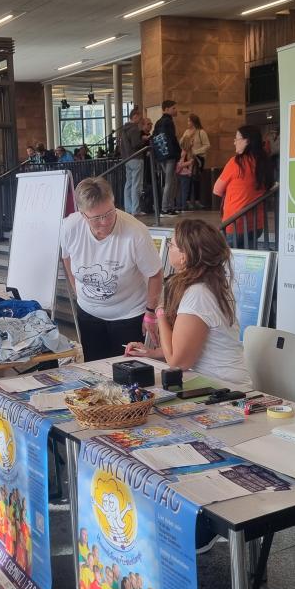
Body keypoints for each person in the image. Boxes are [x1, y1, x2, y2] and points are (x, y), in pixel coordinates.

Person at [126, 219, 252, 390]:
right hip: (214, 383)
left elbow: (178, 362)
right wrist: (152, 353)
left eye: (172, 244)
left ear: (185, 256)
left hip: (224, 388)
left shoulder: (198, 294)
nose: (169, 247)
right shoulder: (211, 283)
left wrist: (160, 312)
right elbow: (190, 344)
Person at [60, 177, 163, 361]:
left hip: (129, 315)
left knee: (129, 371)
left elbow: (155, 274)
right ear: (83, 215)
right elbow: (67, 257)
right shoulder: (70, 227)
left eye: (109, 213)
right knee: (96, 370)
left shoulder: (135, 232)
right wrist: (77, 289)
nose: (105, 222)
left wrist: (150, 312)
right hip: (89, 314)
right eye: (97, 218)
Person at [213, 125, 275, 248]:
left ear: (247, 141)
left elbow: (217, 190)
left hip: (235, 224)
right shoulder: (264, 162)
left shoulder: (236, 162)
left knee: (231, 261)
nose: (234, 142)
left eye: (237, 138)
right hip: (257, 224)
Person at [153, 100, 182, 215]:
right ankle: (166, 207)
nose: (176, 110)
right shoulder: (167, 122)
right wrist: (177, 152)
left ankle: (168, 206)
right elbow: (171, 139)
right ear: (166, 109)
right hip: (169, 155)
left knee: (170, 181)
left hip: (162, 155)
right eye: (173, 108)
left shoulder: (159, 122)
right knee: (169, 181)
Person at [119, 107, 146, 216]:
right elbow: (136, 144)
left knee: (128, 184)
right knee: (136, 184)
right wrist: (143, 140)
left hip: (127, 159)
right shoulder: (134, 129)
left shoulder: (124, 129)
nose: (140, 119)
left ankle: (128, 208)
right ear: (135, 116)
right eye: (139, 117)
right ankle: (136, 209)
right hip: (136, 157)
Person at [182, 113, 210, 209]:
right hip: (188, 158)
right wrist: (186, 139)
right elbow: (181, 143)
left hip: (198, 159)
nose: (188, 123)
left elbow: (207, 145)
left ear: (194, 122)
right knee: (188, 179)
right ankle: (188, 200)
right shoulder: (186, 132)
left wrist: (196, 151)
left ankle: (197, 200)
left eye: (189, 121)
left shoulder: (201, 132)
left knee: (196, 179)